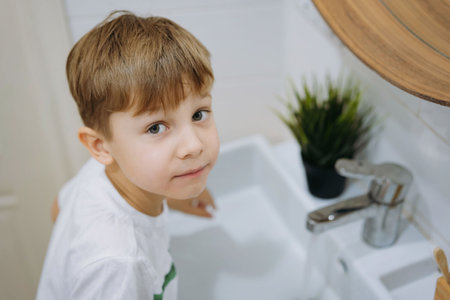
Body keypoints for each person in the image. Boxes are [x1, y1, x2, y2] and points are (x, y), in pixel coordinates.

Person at [36, 11, 220, 300]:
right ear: (100, 146)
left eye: (199, 114)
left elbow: (58, 209)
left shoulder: (100, 172)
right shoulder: (119, 264)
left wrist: (175, 196)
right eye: (156, 127)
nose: (193, 146)